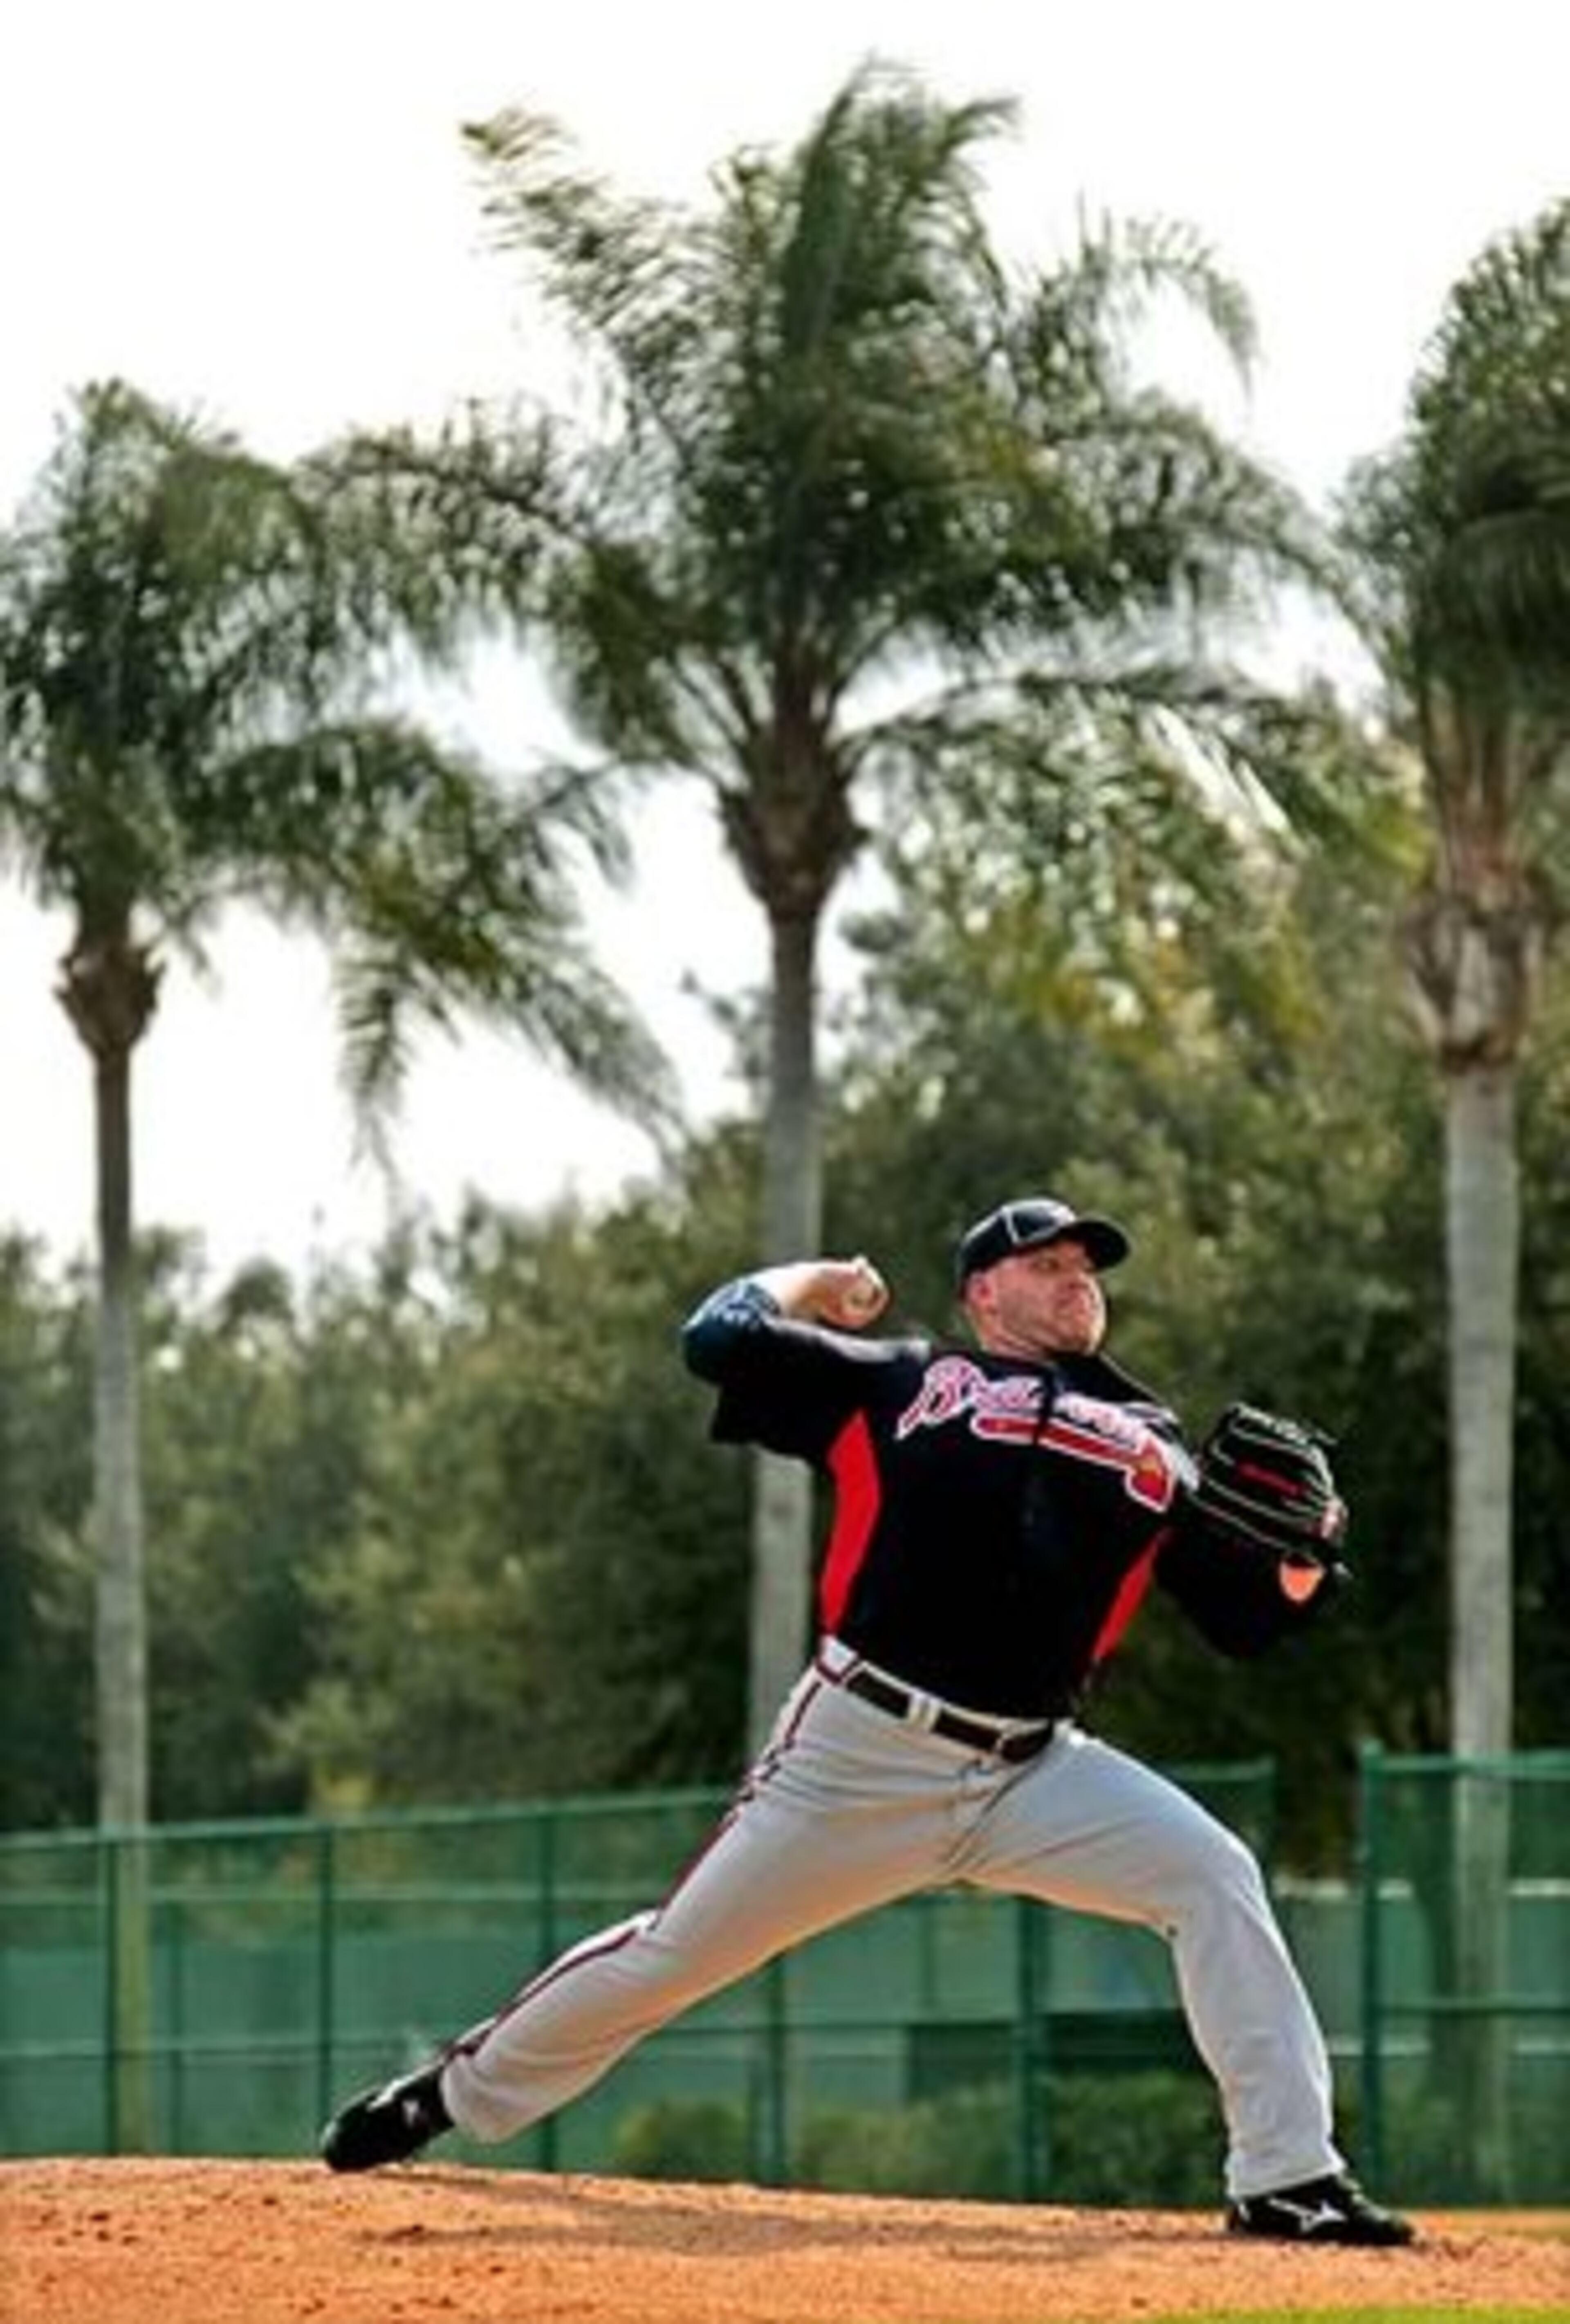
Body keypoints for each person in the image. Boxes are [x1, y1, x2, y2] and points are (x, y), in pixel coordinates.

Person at [320, 1194, 1414, 2245]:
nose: (1077, 1278)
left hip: (1034, 1771)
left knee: (1213, 1872)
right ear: (982, 1291)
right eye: (1047, 1261)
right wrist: (821, 1282)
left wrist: (1311, 1549)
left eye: (1088, 1266)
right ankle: (448, 2094)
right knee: (673, 1955)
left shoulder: (1154, 1447)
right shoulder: (903, 1379)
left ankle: (1287, 2178)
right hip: (857, 1754)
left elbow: (1249, 1619)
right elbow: (718, 1336)